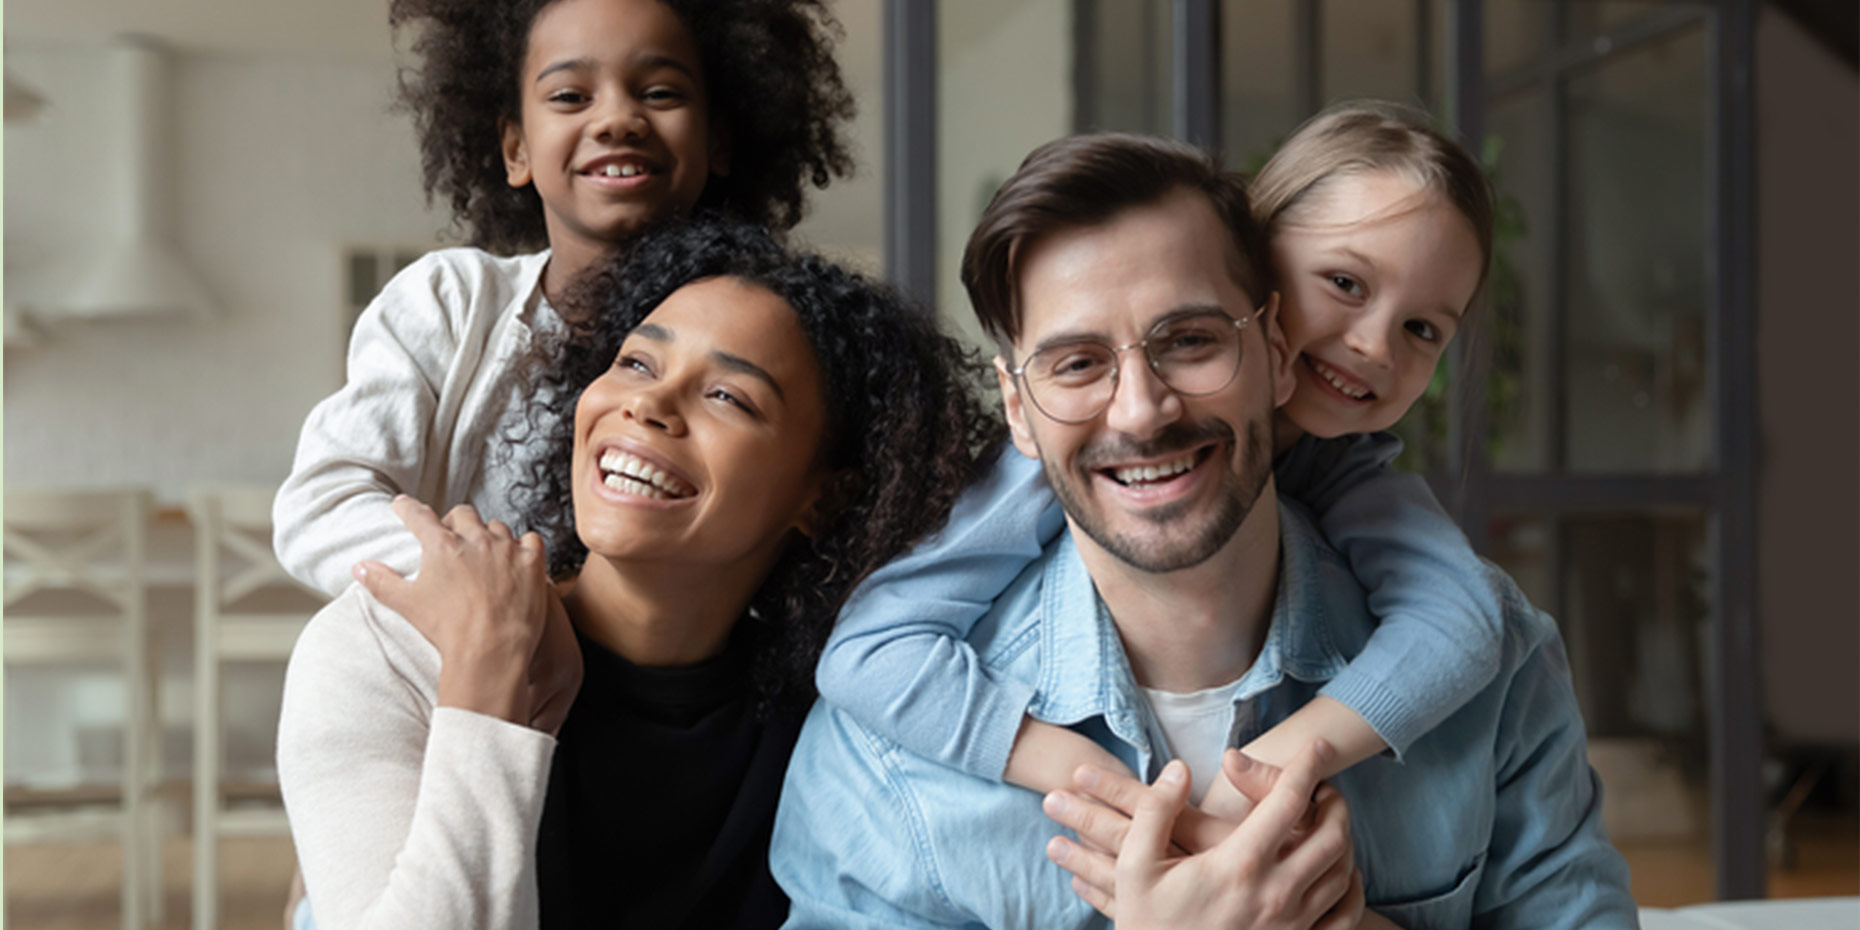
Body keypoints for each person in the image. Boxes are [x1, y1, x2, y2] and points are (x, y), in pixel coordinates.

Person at [771, 133, 1637, 929]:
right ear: (1017, 409)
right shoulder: (888, 745)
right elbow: (864, 648)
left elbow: (1463, 623)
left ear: (1274, 351)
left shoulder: (1494, 666)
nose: (1142, 410)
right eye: (1077, 364)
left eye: (1188, 341)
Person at [277, 218, 997, 930]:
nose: (647, 405)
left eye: (728, 397)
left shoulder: (826, 727)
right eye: (636, 364)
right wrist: (486, 686)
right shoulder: (383, 649)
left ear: (825, 496)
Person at [813, 101, 1513, 808]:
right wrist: (1084, 774)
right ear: (1255, 280)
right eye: (1345, 284)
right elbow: (869, 652)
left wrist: (1267, 773)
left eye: (1422, 328)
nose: (1376, 345)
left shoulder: (1351, 469)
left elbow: (1463, 623)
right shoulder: (1067, 454)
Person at [273, 0, 855, 597]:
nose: (618, 119)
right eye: (571, 97)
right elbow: (322, 507)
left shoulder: (779, 341)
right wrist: (525, 599)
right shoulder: (451, 304)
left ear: (718, 141)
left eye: (659, 93)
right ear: (515, 149)